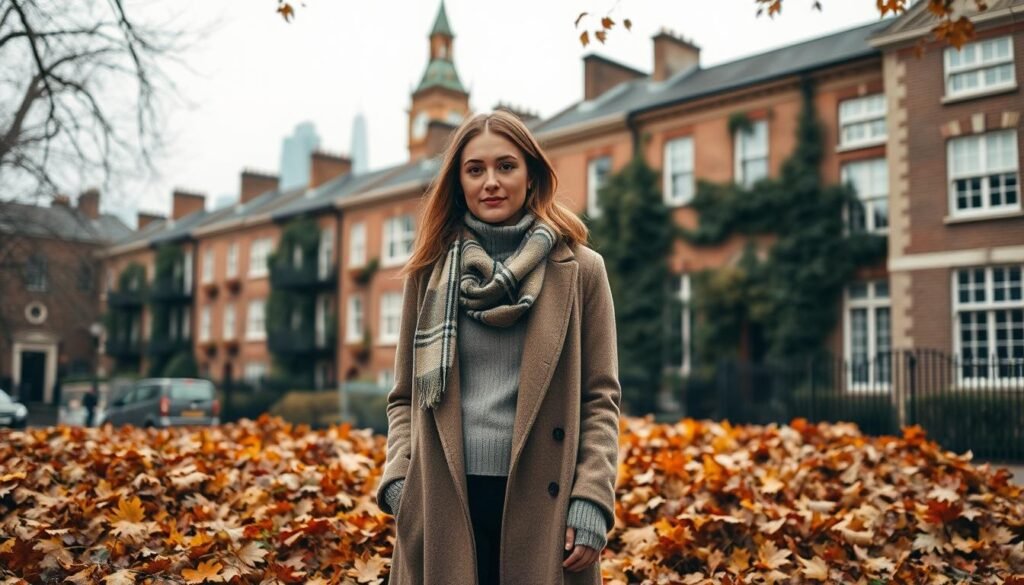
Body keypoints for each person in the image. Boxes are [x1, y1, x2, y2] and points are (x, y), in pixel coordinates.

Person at [375, 110, 622, 585]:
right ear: (459, 182)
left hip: (545, 502)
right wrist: (402, 484)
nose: (491, 181)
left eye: (506, 166)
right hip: (441, 501)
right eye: (475, 169)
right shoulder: (429, 273)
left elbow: (600, 399)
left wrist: (592, 498)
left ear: (531, 176)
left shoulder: (581, 270)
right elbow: (404, 397)